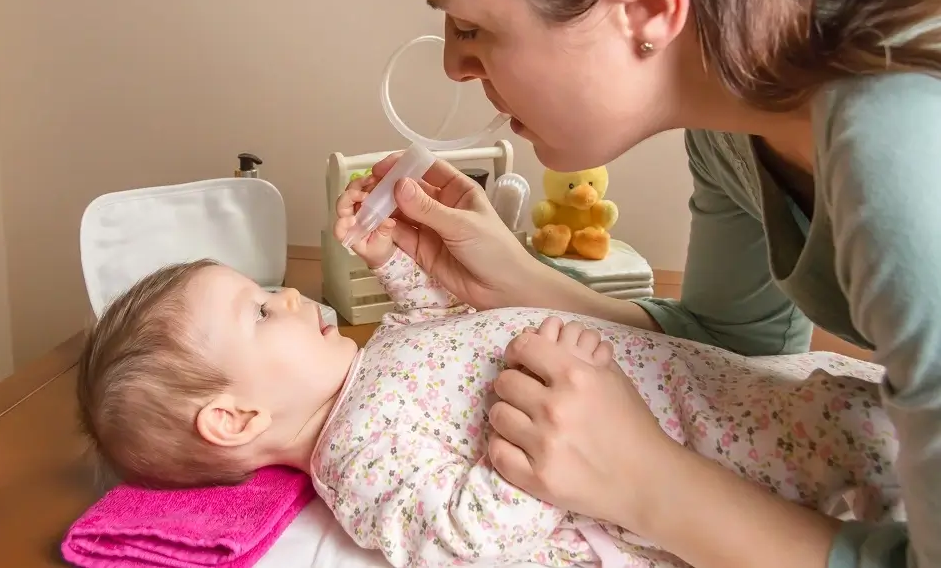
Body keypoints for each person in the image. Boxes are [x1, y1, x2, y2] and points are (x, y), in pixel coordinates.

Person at [366, 0, 941, 568]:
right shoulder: (735, 131)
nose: (453, 65)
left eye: (470, 25)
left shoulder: (904, 151)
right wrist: (517, 282)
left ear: (643, 7)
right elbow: (735, 347)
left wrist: (644, 484)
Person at [75, 181, 899, 568]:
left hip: (723, 388)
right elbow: (468, 538)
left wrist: (396, 261)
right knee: (855, 464)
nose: (289, 294)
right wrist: (547, 444)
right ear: (234, 419)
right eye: (260, 312)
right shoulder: (358, 460)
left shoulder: (369, 366)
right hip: (707, 450)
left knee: (843, 408)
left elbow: (439, 325)